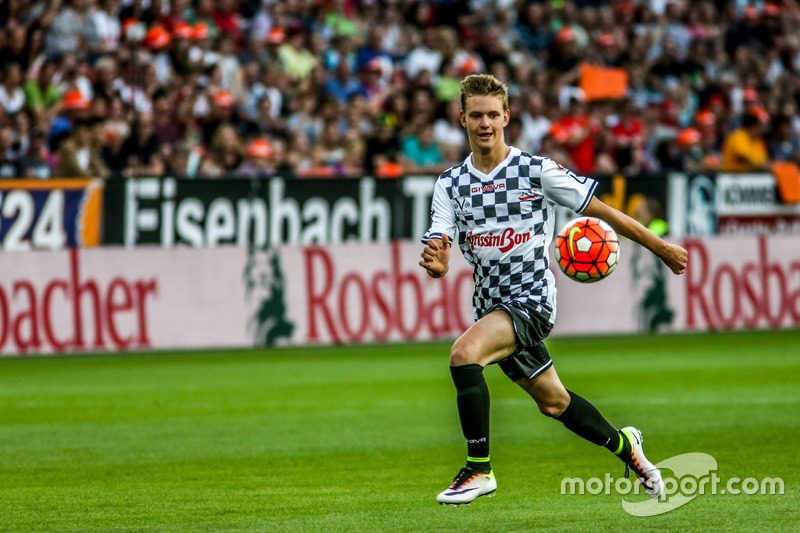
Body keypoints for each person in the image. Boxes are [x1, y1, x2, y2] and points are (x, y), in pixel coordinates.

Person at [418, 74, 688, 506]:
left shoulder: (535, 171)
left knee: (464, 354)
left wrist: (660, 247)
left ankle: (479, 469)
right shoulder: (450, 184)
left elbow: (602, 212)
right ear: (462, 118)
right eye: (476, 115)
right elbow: (439, 243)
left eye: (493, 115)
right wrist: (438, 262)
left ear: (506, 117)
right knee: (554, 403)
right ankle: (627, 447)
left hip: (531, 302)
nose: (485, 123)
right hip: (491, 307)